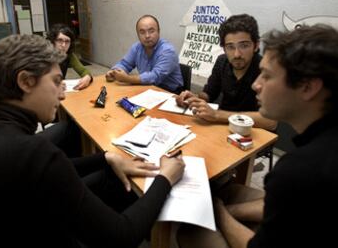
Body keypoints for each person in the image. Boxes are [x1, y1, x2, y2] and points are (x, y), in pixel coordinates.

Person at [0, 34, 185, 247]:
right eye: (55, 82)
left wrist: (105, 157)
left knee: (109, 177)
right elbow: (122, 236)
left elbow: (44, 171)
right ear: (26, 81)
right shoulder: (31, 150)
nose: (62, 94)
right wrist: (165, 178)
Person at [178, 24, 338, 248]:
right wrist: (196, 99)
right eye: (229, 47)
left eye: (268, 76)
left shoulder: (298, 170)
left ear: (308, 87)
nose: (256, 85)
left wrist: (219, 213)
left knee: (189, 230)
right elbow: (289, 205)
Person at [176, 14, 276, 131]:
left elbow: (270, 121)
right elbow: (208, 94)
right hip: (223, 127)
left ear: (256, 45)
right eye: (230, 47)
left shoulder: (266, 70)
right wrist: (194, 99)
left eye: (244, 46)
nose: (237, 54)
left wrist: (218, 115)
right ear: (223, 48)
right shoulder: (222, 61)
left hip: (254, 134)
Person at [105, 15, 184, 94]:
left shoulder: (168, 51)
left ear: (158, 31)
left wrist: (127, 79)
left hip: (170, 93)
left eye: (151, 31)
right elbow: (125, 64)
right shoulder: (137, 47)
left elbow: (155, 77)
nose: (147, 36)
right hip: (148, 88)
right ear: (138, 35)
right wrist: (114, 72)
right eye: (142, 32)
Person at [47, 23, 92, 90]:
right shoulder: (44, 55)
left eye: (67, 41)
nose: (63, 45)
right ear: (53, 41)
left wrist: (88, 77)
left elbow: (83, 71)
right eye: (60, 40)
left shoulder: (69, 55)